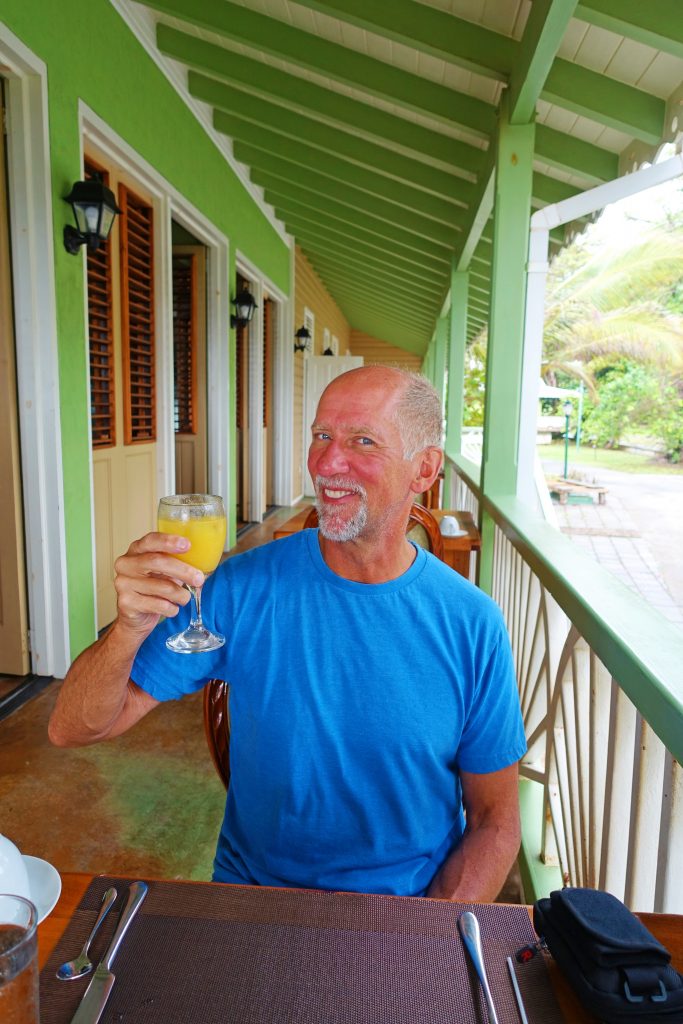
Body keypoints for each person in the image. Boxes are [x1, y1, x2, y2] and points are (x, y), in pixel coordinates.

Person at [49, 365, 526, 900]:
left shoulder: (471, 623)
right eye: (321, 436)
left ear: (425, 469)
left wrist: (426, 934)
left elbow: (496, 821)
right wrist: (128, 631)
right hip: (256, 897)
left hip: (407, 905)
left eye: (362, 441)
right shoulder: (240, 588)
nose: (327, 463)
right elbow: (74, 727)